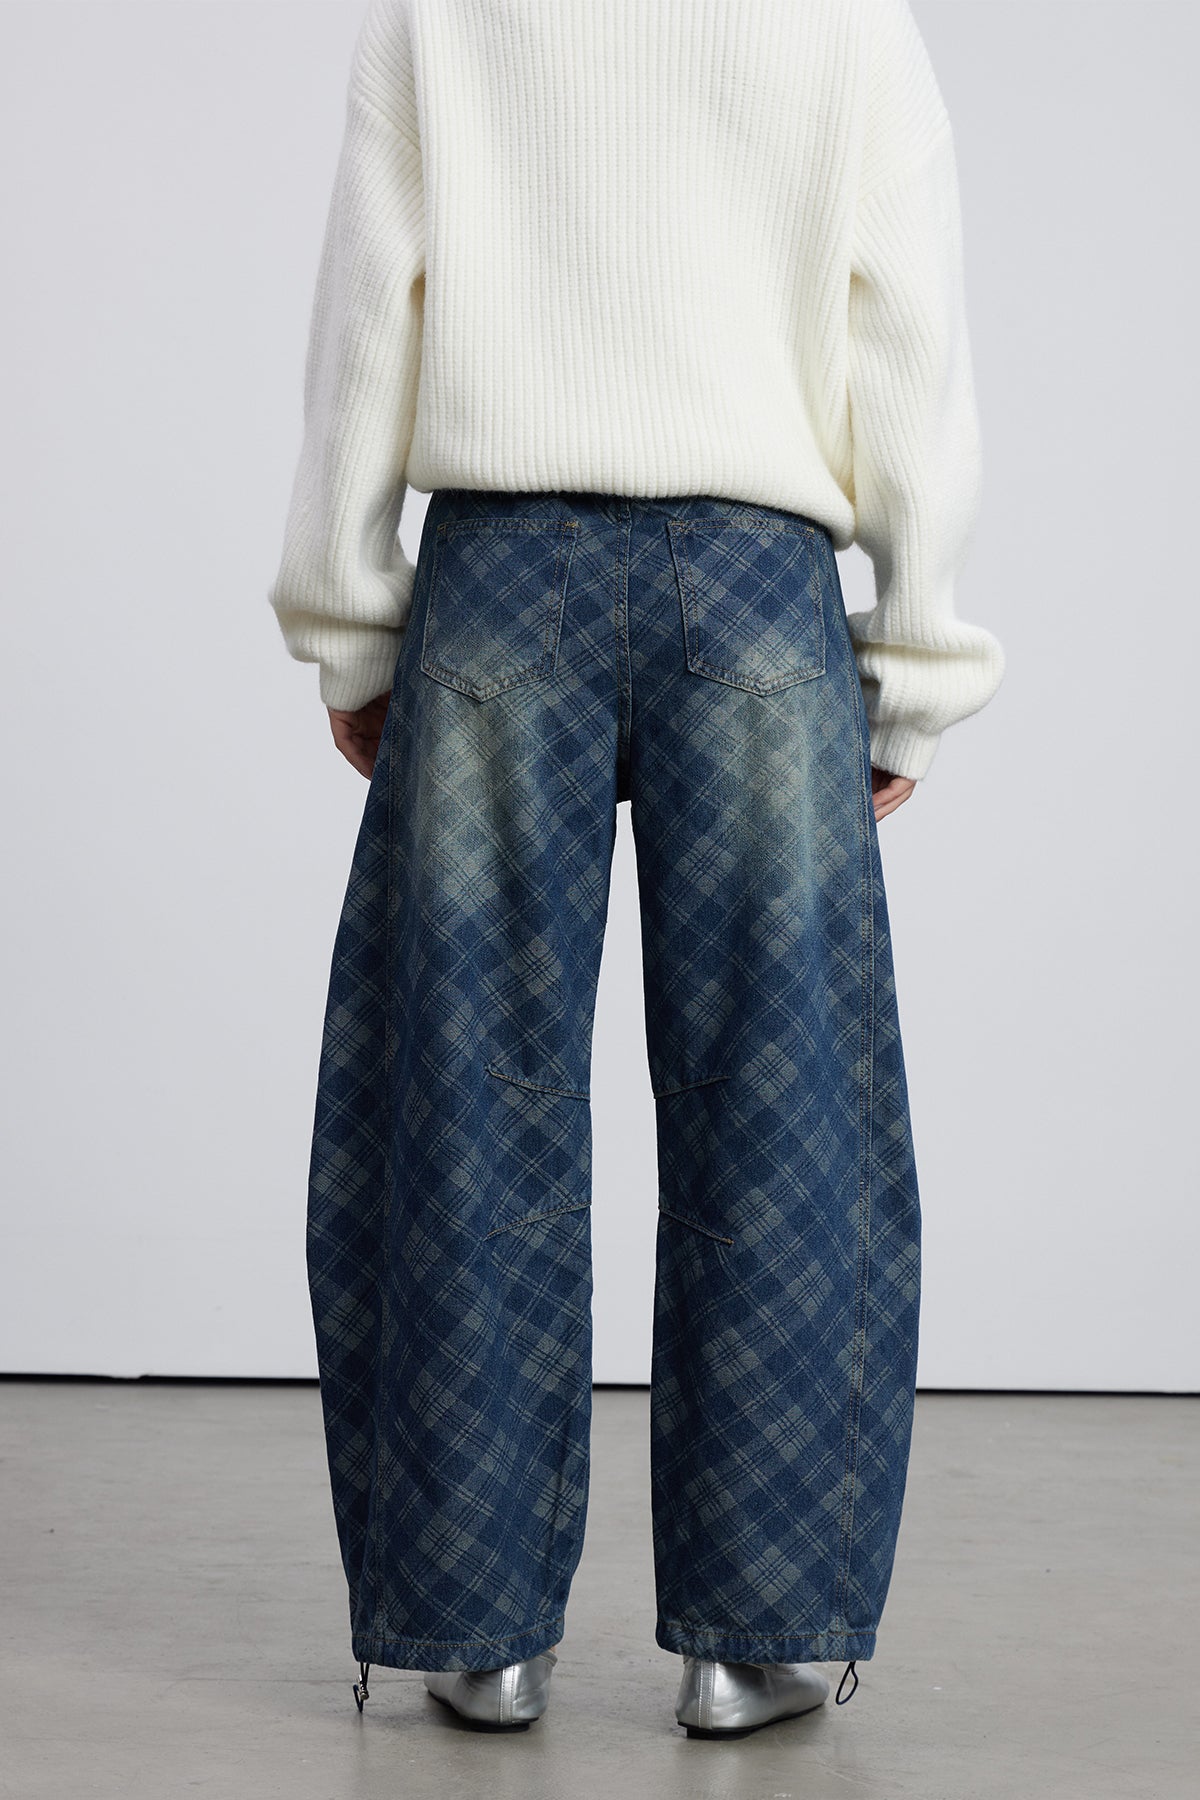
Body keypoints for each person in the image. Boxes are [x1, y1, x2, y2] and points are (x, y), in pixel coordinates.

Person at [267, 0, 1004, 1741]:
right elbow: (906, 335)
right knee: (787, 1101)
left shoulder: (444, 12)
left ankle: (480, 1635)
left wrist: (354, 625)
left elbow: (370, 314)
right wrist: (915, 655)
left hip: (497, 581)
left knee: (463, 1090)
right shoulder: (849, 23)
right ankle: (755, 1642)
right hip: (756, 594)